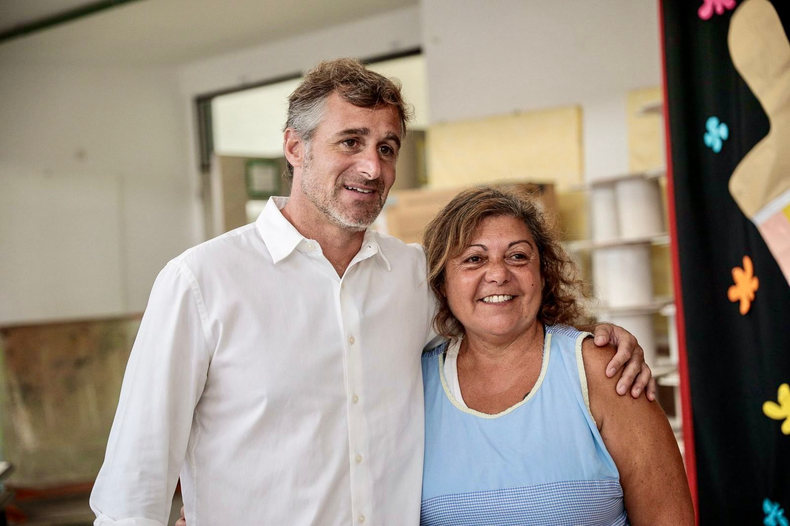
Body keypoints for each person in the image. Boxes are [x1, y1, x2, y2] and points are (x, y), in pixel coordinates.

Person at [91, 58, 654, 526]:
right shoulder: (201, 282)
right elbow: (134, 485)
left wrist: (602, 341)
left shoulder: (414, 276)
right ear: (295, 147)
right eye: (351, 141)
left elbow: (501, 321)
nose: (372, 165)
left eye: (387, 147)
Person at [419, 186, 694, 525]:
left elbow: (668, 518)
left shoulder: (604, 371)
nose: (498, 273)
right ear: (443, 282)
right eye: (474, 259)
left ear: (543, 273)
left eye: (517, 256)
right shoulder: (416, 386)